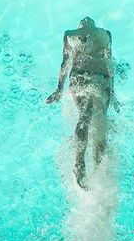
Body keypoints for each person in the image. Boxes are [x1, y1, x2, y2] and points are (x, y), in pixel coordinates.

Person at [46, 16, 118, 189]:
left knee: (89, 118)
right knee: (97, 121)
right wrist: (113, 93)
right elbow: (109, 64)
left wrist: (59, 89)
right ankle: (86, 166)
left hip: (86, 80)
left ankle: (89, 166)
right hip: (96, 81)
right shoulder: (104, 35)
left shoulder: (71, 35)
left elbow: (65, 64)